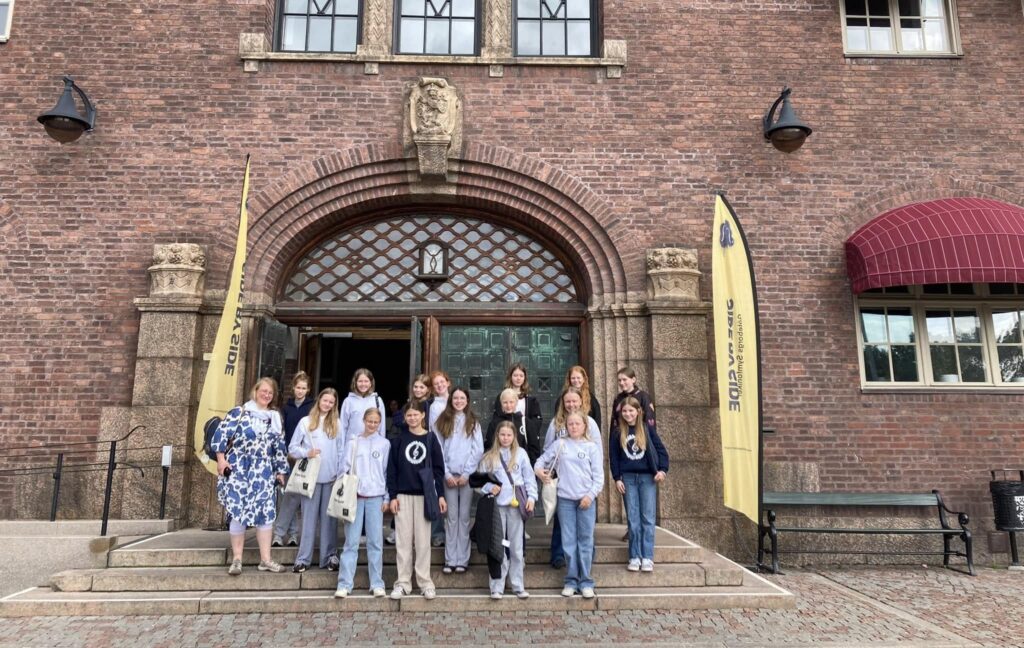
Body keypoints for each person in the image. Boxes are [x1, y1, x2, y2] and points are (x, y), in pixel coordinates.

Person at [212, 377, 290, 576]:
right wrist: (221, 460)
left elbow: (279, 446)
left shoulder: (274, 417)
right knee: (239, 512)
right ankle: (237, 559)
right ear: (255, 391)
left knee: (265, 514)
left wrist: (281, 471)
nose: (266, 395)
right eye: (263, 391)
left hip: (263, 471)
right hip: (240, 469)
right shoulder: (239, 413)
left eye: (270, 393)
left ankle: (266, 559)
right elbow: (220, 435)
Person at [535, 412, 603, 599]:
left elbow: (599, 477)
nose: (573, 427)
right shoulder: (560, 444)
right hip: (565, 499)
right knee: (568, 541)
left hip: (586, 500)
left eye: (577, 423)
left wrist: (590, 496)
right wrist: (540, 472)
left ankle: (586, 581)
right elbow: (541, 461)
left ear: (584, 426)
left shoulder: (591, 447)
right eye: (570, 424)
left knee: (585, 541)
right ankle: (571, 580)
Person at [387, 405, 447, 600]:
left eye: (415, 414)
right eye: (409, 415)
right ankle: (403, 582)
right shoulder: (398, 440)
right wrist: (393, 496)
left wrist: (440, 495)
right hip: (403, 495)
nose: (412, 418)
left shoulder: (430, 438)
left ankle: (425, 582)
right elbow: (392, 470)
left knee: (423, 542)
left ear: (423, 415)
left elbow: (438, 469)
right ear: (405, 417)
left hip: (424, 495)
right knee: (403, 542)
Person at [543, 386, 603, 569]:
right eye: (567, 401)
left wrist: (595, 480)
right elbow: (548, 447)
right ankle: (558, 555)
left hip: (584, 482)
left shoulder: (590, 423)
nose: (571, 404)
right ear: (563, 403)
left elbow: (597, 450)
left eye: (574, 401)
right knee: (562, 523)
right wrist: (549, 471)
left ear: (581, 401)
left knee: (585, 526)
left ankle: (586, 560)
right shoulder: (556, 423)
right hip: (563, 480)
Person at [335, 407, 391, 598]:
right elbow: (343, 469)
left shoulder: (384, 444)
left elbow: (386, 472)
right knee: (351, 542)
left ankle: (377, 583)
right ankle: (344, 583)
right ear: (364, 421)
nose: (372, 424)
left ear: (380, 423)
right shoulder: (353, 442)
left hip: (376, 496)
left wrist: (387, 497)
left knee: (375, 542)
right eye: (370, 421)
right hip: (355, 497)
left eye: (376, 422)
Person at [477, 420, 537, 599]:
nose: (505, 438)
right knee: (498, 546)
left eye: (509, 435)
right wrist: (489, 488)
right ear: (497, 435)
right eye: (502, 434)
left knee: (516, 547)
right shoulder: (490, 456)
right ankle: (497, 586)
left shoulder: (521, 454)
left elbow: (529, 478)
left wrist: (532, 498)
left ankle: (518, 585)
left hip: (515, 507)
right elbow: (478, 482)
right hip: (497, 508)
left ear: (514, 436)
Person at [609, 396, 669, 573]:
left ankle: (647, 556)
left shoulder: (646, 429)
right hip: (628, 479)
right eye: (625, 411)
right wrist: (617, 478)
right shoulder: (617, 432)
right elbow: (614, 457)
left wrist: (662, 470)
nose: (628, 414)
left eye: (631, 411)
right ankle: (634, 556)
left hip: (647, 478)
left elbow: (661, 451)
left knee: (647, 518)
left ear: (638, 411)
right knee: (633, 519)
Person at [289, 388, 343, 573]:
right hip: (310, 479)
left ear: (334, 405)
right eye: (325, 400)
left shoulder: (337, 424)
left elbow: (341, 451)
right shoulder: (306, 422)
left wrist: (340, 473)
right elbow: (292, 448)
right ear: (319, 400)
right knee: (308, 520)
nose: (327, 404)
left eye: (331, 402)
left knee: (329, 521)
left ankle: (329, 557)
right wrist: (307, 452)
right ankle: (303, 559)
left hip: (330, 478)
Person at [435, 387, 484, 574]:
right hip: (449, 476)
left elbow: (477, 450)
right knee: (451, 518)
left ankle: (462, 559)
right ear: (451, 400)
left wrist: (466, 473)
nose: (458, 401)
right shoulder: (442, 420)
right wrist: (447, 474)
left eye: (462, 398)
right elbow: (438, 448)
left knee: (464, 517)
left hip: (466, 478)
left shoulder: (473, 422)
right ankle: (450, 559)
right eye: (455, 398)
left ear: (467, 400)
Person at [610, 367, 656, 542]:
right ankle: (632, 528)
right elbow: (615, 423)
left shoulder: (643, 397)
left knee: (645, 499)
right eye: (619, 380)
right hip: (623, 446)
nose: (622, 383)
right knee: (628, 496)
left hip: (640, 448)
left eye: (625, 379)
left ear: (633, 379)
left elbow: (650, 423)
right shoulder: (618, 399)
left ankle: (645, 532)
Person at [386, 374, 432, 545]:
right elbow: (398, 419)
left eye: (422, 387)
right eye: (416, 386)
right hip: (406, 445)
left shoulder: (430, 405)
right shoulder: (409, 404)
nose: (418, 390)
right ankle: (397, 530)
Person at [273, 371, 313, 547]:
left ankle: (286, 533)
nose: (300, 391)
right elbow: (282, 432)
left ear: (308, 389)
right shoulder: (286, 408)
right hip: (288, 457)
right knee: (287, 497)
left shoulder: (312, 408)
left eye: (304, 388)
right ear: (293, 388)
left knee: (294, 498)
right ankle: (291, 534)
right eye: (298, 387)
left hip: (305, 459)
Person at [491, 363, 544, 465]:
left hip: (523, 437)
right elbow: (497, 417)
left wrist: (526, 428)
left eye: (521, 375)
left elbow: (537, 420)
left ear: (525, 378)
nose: (518, 378)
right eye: (515, 375)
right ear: (510, 377)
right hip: (505, 437)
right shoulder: (502, 396)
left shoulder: (531, 399)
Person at [427, 370, 451, 547]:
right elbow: (436, 434)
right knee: (439, 493)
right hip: (442, 455)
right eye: (436, 384)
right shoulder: (435, 407)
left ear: (448, 382)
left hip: (458, 456)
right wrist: (440, 457)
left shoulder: (456, 400)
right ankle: (438, 533)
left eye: (442, 382)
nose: (440, 385)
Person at [340, 368, 386, 443]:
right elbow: (343, 427)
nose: (363, 384)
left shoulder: (377, 400)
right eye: (360, 381)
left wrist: (381, 444)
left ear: (371, 383)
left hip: (372, 444)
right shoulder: (348, 401)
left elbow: (382, 426)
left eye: (366, 381)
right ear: (355, 383)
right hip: (352, 444)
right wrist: (342, 447)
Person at [562, 365, 601, 431]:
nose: (576, 380)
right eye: (573, 378)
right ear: (569, 380)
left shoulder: (591, 399)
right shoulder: (563, 398)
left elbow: (597, 419)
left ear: (584, 379)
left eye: (578, 378)